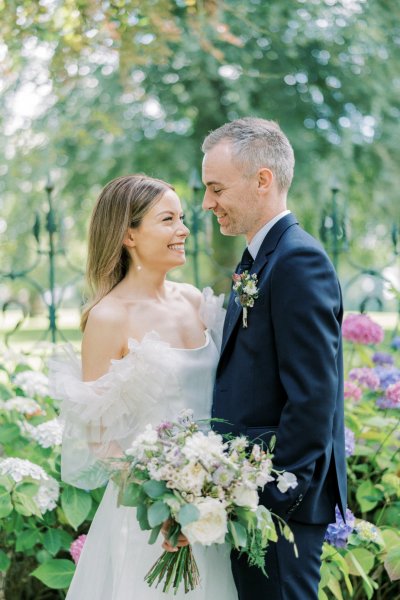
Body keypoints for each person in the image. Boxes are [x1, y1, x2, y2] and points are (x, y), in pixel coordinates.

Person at [49, 175, 237, 599]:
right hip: (149, 518)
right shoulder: (109, 316)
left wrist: (210, 495)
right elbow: (100, 436)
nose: (184, 230)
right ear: (128, 234)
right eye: (167, 220)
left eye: (182, 219)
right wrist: (167, 505)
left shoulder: (194, 301)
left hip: (213, 510)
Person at [201, 117, 347, 600]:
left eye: (216, 188)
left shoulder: (298, 261)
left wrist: (273, 498)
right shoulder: (261, 259)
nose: (208, 203)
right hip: (250, 499)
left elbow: (313, 397)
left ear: (262, 180)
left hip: (277, 509)